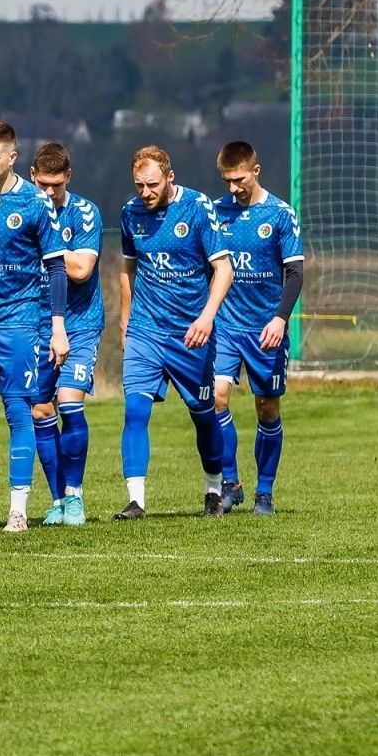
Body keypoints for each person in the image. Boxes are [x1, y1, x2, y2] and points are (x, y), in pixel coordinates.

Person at [0, 121, 69, 533]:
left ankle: (17, 510)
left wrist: (57, 327)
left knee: (18, 411)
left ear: (12, 158)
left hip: (18, 322)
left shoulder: (36, 204)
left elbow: (56, 266)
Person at [116, 145, 234, 520]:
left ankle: (214, 488)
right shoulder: (130, 213)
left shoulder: (197, 208)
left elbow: (224, 269)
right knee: (135, 410)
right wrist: (125, 320)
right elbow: (127, 269)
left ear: (170, 176)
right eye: (139, 185)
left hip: (191, 335)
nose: (146, 193)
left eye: (152, 184)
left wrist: (206, 317)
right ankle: (136, 501)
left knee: (203, 414)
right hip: (145, 330)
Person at [211, 140, 304, 516]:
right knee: (215, 397)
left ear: (256, 171)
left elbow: (295, 272)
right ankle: (231, 483)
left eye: (239, 179)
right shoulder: (216, 213)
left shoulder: (280, 214)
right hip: (226, 325)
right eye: (226, 180)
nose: (233, 188)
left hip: (266, 328)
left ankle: (264, 492)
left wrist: (280, 319)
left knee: (267, 408)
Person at [29, 142, 103, 527]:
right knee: (42, 410)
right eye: (43, 184)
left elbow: (81, 271)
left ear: (68, 178)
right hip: (36, 323)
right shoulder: (24, 209)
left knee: (69, 403)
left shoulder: (85, 212)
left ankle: (75, 496)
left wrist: (45, 251)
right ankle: (56, 500)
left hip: (80, 322)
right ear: (32, 176)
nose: (49, 192)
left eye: (56, 185)